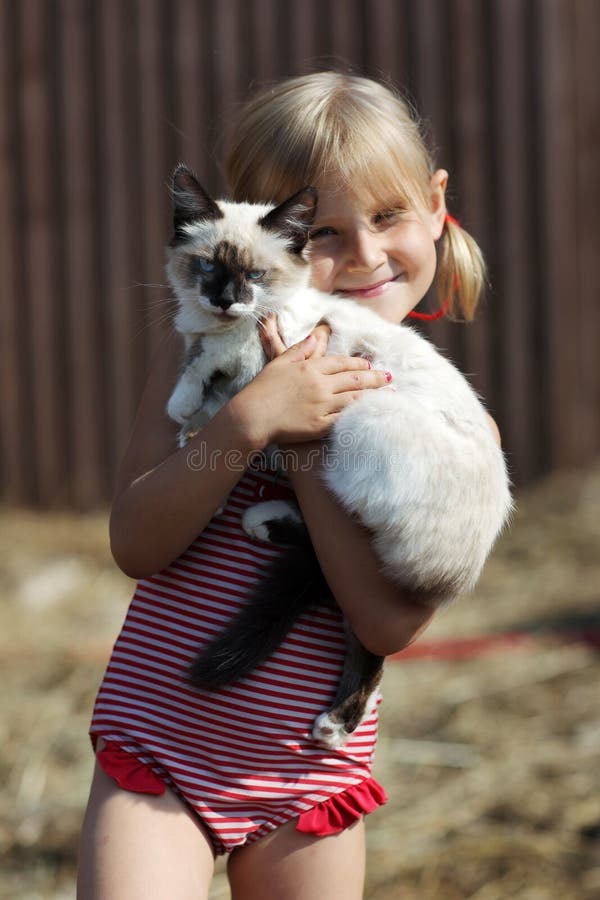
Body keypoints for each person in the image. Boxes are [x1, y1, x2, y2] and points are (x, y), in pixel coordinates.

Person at [77, 71, 497, 899]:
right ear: (271, 239)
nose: (367, 254)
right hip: (164, 749)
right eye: (327, 231)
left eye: (387, 217)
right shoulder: (204, 339)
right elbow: (135, 541)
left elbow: (386, 623)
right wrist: (243, 426)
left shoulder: (449, 429)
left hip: (309, 775)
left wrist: (304, 447)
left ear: (437, 205)